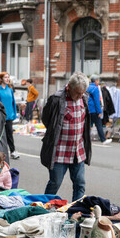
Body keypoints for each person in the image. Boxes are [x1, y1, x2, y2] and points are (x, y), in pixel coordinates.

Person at [40, 72, 92, 201]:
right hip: (59, 151)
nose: (80, 96)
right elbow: (46, 119)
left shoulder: (84, 98)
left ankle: (76, 208)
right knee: (55, 183)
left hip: (77, 150)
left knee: (80, 184)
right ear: (69, 87)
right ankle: (45, 207)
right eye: (78, 93)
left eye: (82, 93)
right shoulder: (56, 99)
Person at [0, 73, 20, 159]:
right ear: (1, 79)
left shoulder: (10, 89)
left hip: (9, 115)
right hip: (0, 115)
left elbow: (13, 102)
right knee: (0, 134)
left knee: (9, 134)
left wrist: (14, 114)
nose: (7, 79)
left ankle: (13, 151)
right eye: (5, 77)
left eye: (8, 77)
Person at [87, 74, 112, 145]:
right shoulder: (95, 89)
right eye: (98, 80)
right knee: (99, 125)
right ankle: (103, 140)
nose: (98, 82)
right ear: (95, 81)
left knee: (88, 125)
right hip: (94, 109)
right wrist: (99, 111)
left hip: (89, 109)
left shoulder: (88, 88)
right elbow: (97, 101)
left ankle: (85, 139)